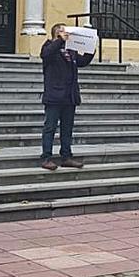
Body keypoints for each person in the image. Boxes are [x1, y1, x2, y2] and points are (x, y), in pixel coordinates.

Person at [40, 23, 93, 170]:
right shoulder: (49, 46)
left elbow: (83, 62)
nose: (67, 33)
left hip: (70, 96)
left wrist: (91, 48)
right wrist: (60, 41)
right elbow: (45, 54)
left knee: (67, 128)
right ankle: (46, 157)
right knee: (50, 127)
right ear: (56, 34)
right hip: (54, 95)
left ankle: (66, 156)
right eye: (63, 31)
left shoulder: (71, 51)